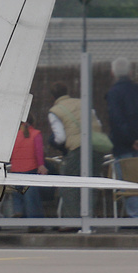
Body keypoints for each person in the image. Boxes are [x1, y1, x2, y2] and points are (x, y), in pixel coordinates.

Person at [106, 58, 138, 218]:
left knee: (127, 180)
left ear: (113, 73)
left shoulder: (113, 93)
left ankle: (136, 215)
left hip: (123, 145)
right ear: (130, 72)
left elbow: (117, 120)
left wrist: (131, 140)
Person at [48, 82, 104, 218]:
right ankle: (88, 217)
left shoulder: (55, 111)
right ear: (67, 90)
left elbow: (60, 138)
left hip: (78, 149)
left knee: (69, 183)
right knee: (92, 183)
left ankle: (72, 220)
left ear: (53, 96)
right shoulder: (83, 103)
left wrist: (55, 144)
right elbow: (99, 124)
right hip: (97, 147)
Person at [9, 118, 46, 218]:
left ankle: (18, 212)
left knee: (17, 195)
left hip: (15, 170)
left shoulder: (12, 135)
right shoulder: (35, 134)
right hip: (30, 170)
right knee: (31, 198)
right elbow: (39, 151)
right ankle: (35, 222)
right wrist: (41, 165)